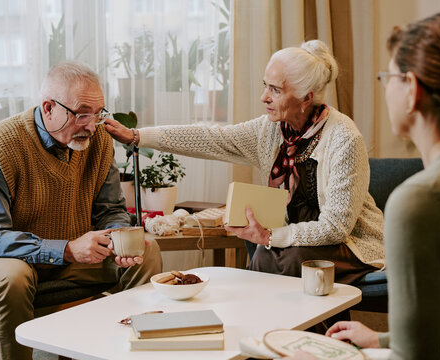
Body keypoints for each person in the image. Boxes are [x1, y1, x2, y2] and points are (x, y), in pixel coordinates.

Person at [105, 39, 384, 285]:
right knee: (275, 254)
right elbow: (208, 138)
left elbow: (336, 228)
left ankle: (293, 338)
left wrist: (271, 236)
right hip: (296, 242)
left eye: (275, 90)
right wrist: (137, 136)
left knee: (288, 258)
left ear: (305, 97)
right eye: (266, 86)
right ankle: (274, 335)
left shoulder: (343, 138)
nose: (264, 97)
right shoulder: (270, 130)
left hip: (351, 245)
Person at [0, 61, 162, 360]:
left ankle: (135, 353)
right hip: (6, 255)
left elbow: (111, 210)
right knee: (12, 277)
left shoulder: (99, 140)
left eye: (98, 114)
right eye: (82, 114)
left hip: (73, 252)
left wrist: (118, 237)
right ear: (49, 108)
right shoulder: (2, 143)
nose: (91, 125)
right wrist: (65, 249)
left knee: (147, 250)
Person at [287, 12, 440, 360]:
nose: (384, 86)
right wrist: (384, 340)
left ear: (412, 89)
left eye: (388, 77)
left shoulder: (421, 199)